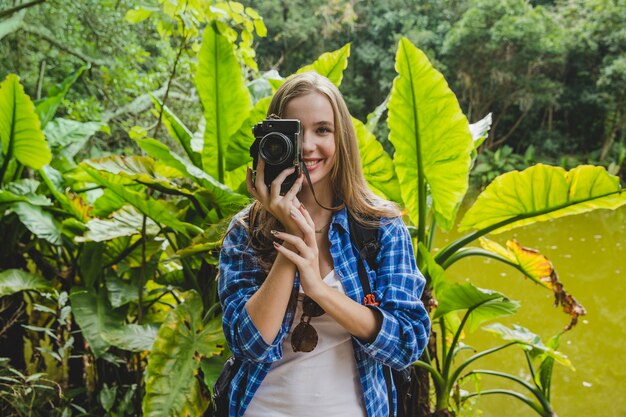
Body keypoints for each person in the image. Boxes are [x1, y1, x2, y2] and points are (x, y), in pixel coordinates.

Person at [218, 71, 430, 417]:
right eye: (294, 131)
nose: (306, 146)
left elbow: (407, 342)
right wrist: (293, 237)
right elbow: (249, 343)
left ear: (341, 139)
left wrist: (319, 290)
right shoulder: (247, 230)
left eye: (322, 130)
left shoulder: (380, 228)